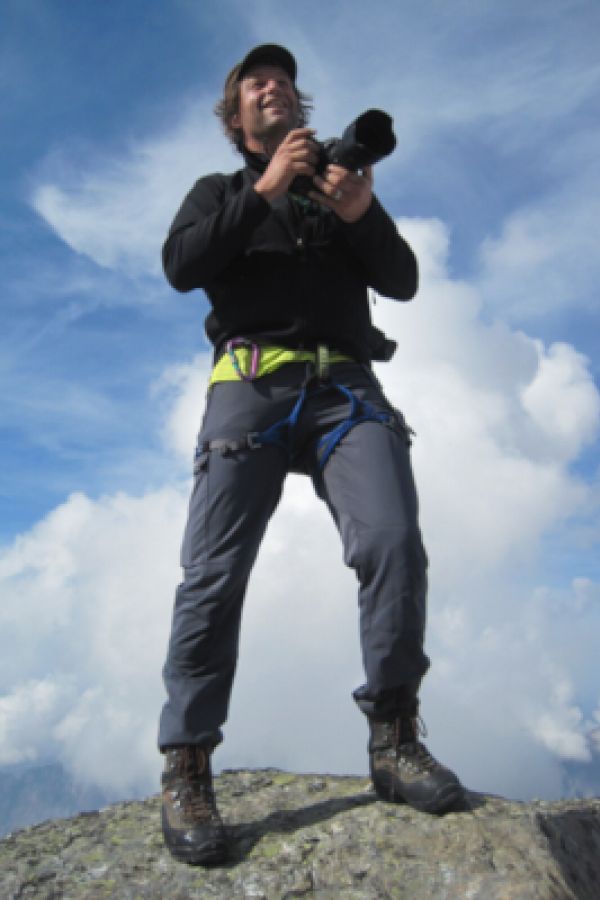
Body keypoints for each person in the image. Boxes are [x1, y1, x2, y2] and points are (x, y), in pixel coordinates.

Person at [158, 43, 464, 865]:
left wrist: (363, 212)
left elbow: (402, 280)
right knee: (214, 571)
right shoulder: (218, 193)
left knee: (393, 542)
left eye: (286, 83)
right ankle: (186, 765)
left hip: (346, 390)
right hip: (251, 383)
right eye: (257, 84)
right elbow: (181, 266)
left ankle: (395, 741)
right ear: (237, 121)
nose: (275, 88)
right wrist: (262, 191)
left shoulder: (336, 197)